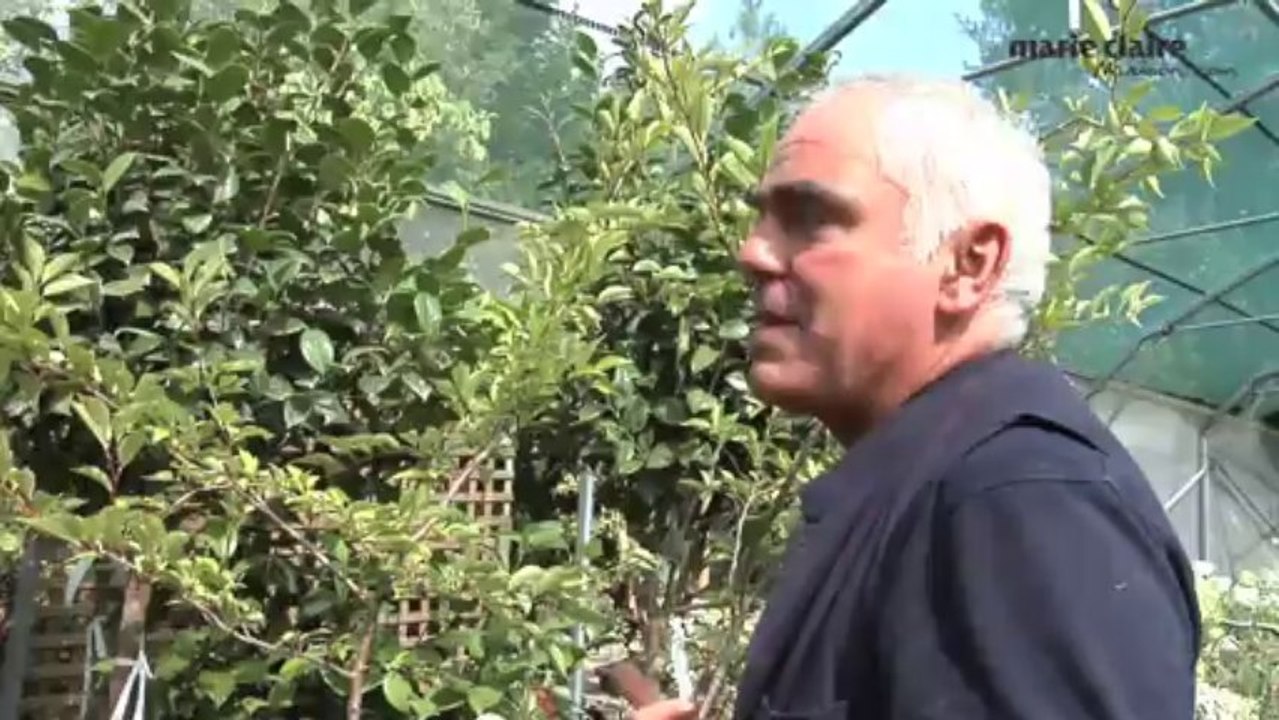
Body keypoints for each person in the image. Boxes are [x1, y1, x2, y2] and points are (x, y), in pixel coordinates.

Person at [633, 74, 1201, 720]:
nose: (753, 252)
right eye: (761, 219)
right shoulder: (934, 484)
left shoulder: (1018, 498)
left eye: (811, 220)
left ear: (968, 265)